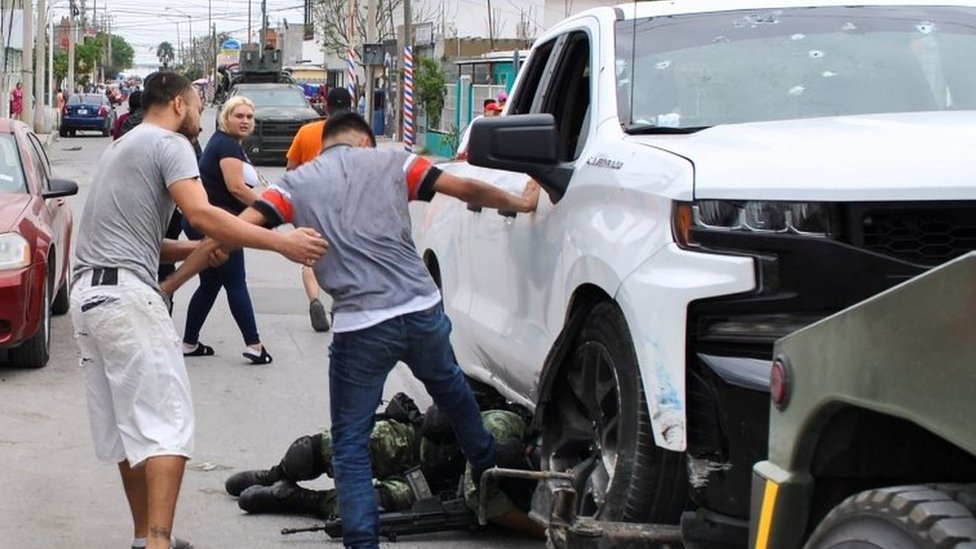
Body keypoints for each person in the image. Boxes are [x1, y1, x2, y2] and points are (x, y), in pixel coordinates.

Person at [243, 111, 539, 549]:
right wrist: (523, 202)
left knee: (350, 443)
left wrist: (203, 256)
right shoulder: (393, 161)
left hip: (360, 325)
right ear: (365, 141)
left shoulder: (294, 184)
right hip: (420, 310)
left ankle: (362, 543)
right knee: (453, 392)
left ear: (325, 145)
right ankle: (487, 463)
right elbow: (465, 188)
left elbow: (239, 227)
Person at [69, 71, 327, 549]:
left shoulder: (122, 146)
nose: (200, 113)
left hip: (90, 298)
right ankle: (159, 544)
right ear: (177, 104)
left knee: (131, 430)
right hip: (126, 298)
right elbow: (202, 213)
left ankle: (145, 536)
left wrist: (195, 251)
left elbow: (149, 244)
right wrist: (281, 242)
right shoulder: (169, 142)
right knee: (169, 424)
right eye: (197, 103)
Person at [224, 393, 545, 538]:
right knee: (311, 450)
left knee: (365, 506)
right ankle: (277, 474)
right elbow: (483, 498)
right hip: (413, 440)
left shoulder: (540, 485)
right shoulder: (504, 426)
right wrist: (539, 531)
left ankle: (296, 499)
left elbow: (477, 498)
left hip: (433, 485)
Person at [181, 95, 272, 363]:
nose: (245, 121)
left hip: (207, 221)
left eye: (249, 117)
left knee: (210, 284)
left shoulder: (227, 143)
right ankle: (254, 345)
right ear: (225, 118)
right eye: (239, 116)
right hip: (218, 224)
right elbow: (236, 187)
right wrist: (275, 208)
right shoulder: (228, 146)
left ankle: (189, 342)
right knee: (235, 282)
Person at [284, 86, 354, 333]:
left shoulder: (307, 131)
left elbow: (291, 169)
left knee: (310, 256)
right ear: (351, 105)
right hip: (346, 205)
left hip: (312, 204)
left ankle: (315, 300)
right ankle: (339, 303)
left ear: (326, 106)